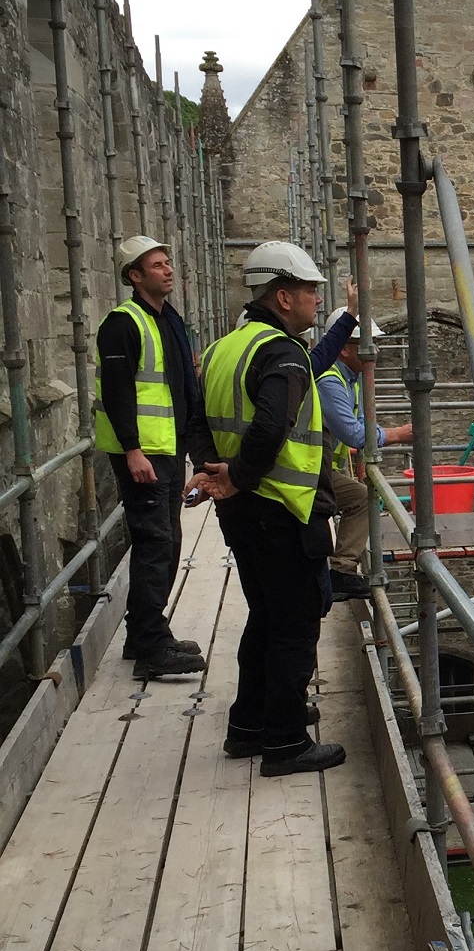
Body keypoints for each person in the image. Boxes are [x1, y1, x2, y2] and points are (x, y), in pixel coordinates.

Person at [192, 241, 346, 776]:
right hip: (282, 509)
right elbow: (271, 424)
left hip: (242, 513)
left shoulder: (223, 349)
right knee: (294, 626)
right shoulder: (281, 352)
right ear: (283, 296)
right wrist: (237, 475)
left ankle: (248, 727)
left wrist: (216, 470)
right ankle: (285, 743)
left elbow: (196, 418)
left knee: (265, 618)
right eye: (310, 290)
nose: (316, 298)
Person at [95, 236, 210, 681]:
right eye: (156, 265)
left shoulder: (170, 320)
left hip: (167, 449)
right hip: (142, 453)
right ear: (135, 276)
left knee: (168, 541)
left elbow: (185, 388)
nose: (168, 270)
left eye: (168, 262)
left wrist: (196, 453)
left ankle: (142, 634)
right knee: (154, 543)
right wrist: (132, 450)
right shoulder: (121, 324)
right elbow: (118, 391)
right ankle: (151, 647)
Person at [316, 307, 411, 602]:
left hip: (319, 466)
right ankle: (342, 572)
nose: (375, 350)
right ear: (344, 349)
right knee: (360, 497)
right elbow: (355, 434)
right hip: (307, 470)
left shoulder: (349, 378)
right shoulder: (330, 381)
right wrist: (399, 434)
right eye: (366, 344)